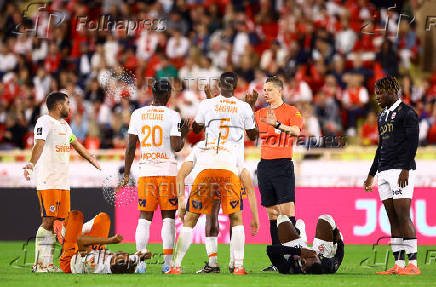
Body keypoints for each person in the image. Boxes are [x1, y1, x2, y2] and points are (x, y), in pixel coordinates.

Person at [23, 92, 101, 272]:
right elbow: (39, 145)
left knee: (60, 222)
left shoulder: (65, 126)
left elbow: (75, 143)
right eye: (67, 103)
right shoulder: (44, 122)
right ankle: (40, 264)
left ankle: (48, 264)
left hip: (63, 183)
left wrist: (90, 158)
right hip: (48, 180)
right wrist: (31, 164)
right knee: (48, 221)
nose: (70, 107)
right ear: (59, 107)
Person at [121, 79, 190, 273]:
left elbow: (131, 146)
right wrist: (184, 133)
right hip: (167, 172)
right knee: (168, 218)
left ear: (152, 93)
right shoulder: (172, 115)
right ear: (168, 95)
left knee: (144, 218)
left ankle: (141, 263)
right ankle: (167, 264)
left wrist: (126, 174)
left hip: (146, 172)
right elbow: (177, 147)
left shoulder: (138, 114)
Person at [191, 72, 257, 273]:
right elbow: (254, 136)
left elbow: (195, 129)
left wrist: (209, 104)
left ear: (219, 84)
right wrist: (251, 108)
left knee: (211, 214)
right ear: (237, 85)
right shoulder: (243, 106)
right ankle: (235, 264)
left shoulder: (206, 104)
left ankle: (212, 263)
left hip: (210, 164)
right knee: (235, 216)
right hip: (234, 167)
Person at [170, 140, 260, 275]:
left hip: (204, 176)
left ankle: (176, 266)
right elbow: (248, 183)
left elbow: (181, 174)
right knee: (236, 219)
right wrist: (255, 217)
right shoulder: (233, 146)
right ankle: (239, 267)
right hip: (228, 176)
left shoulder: (200, 145)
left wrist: (181, 200)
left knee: (190, 220)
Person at [363, 76, 421, 275]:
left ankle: (413, 265)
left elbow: (413, 142)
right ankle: (399, 265)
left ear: (393, 92)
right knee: (392, 218)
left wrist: (405, 168)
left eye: (380, 93)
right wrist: (371, 175)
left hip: (400, 171)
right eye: (376, 93)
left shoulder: (407, 113)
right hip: (384, 171)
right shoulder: (382, 116)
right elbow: (381, 148)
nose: (377, 96)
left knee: (403, 216)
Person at [254, 76, 303, 271]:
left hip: (283, 165)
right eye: (264, 90)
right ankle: (277, 261)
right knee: (272, 213)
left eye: (269, 90)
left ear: (280, 91)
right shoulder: (260, 113)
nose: (265, 93)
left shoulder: (292, 111)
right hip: (265, 166)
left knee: (287, 211)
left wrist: (277, 125)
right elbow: (250, 131)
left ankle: (292, 256)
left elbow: (296, 132)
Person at [58, 210, 151, 274]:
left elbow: (80, 240)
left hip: (71, 258)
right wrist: (140, 257)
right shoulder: (124, 262)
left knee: (76, 215)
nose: (124, 253)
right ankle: (73, 232)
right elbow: (148, 254)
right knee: (104, 218)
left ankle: (64, 233)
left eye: (121, 255)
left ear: (115, 262)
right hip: (90, 250)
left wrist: (110, 240)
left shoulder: (95, 264)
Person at [266, 214, 344, 274]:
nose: (313, 254)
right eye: (316, 257)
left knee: (282, 219)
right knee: (326, 218)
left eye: (310, 257)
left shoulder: (289, 268)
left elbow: (270, 250)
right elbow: (339, 257)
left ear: (303, 264)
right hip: (320, 251)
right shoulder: (326, 265)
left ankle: (300, 235)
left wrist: (300, 251)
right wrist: (339, 241)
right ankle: (332, 246)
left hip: (296, 250)